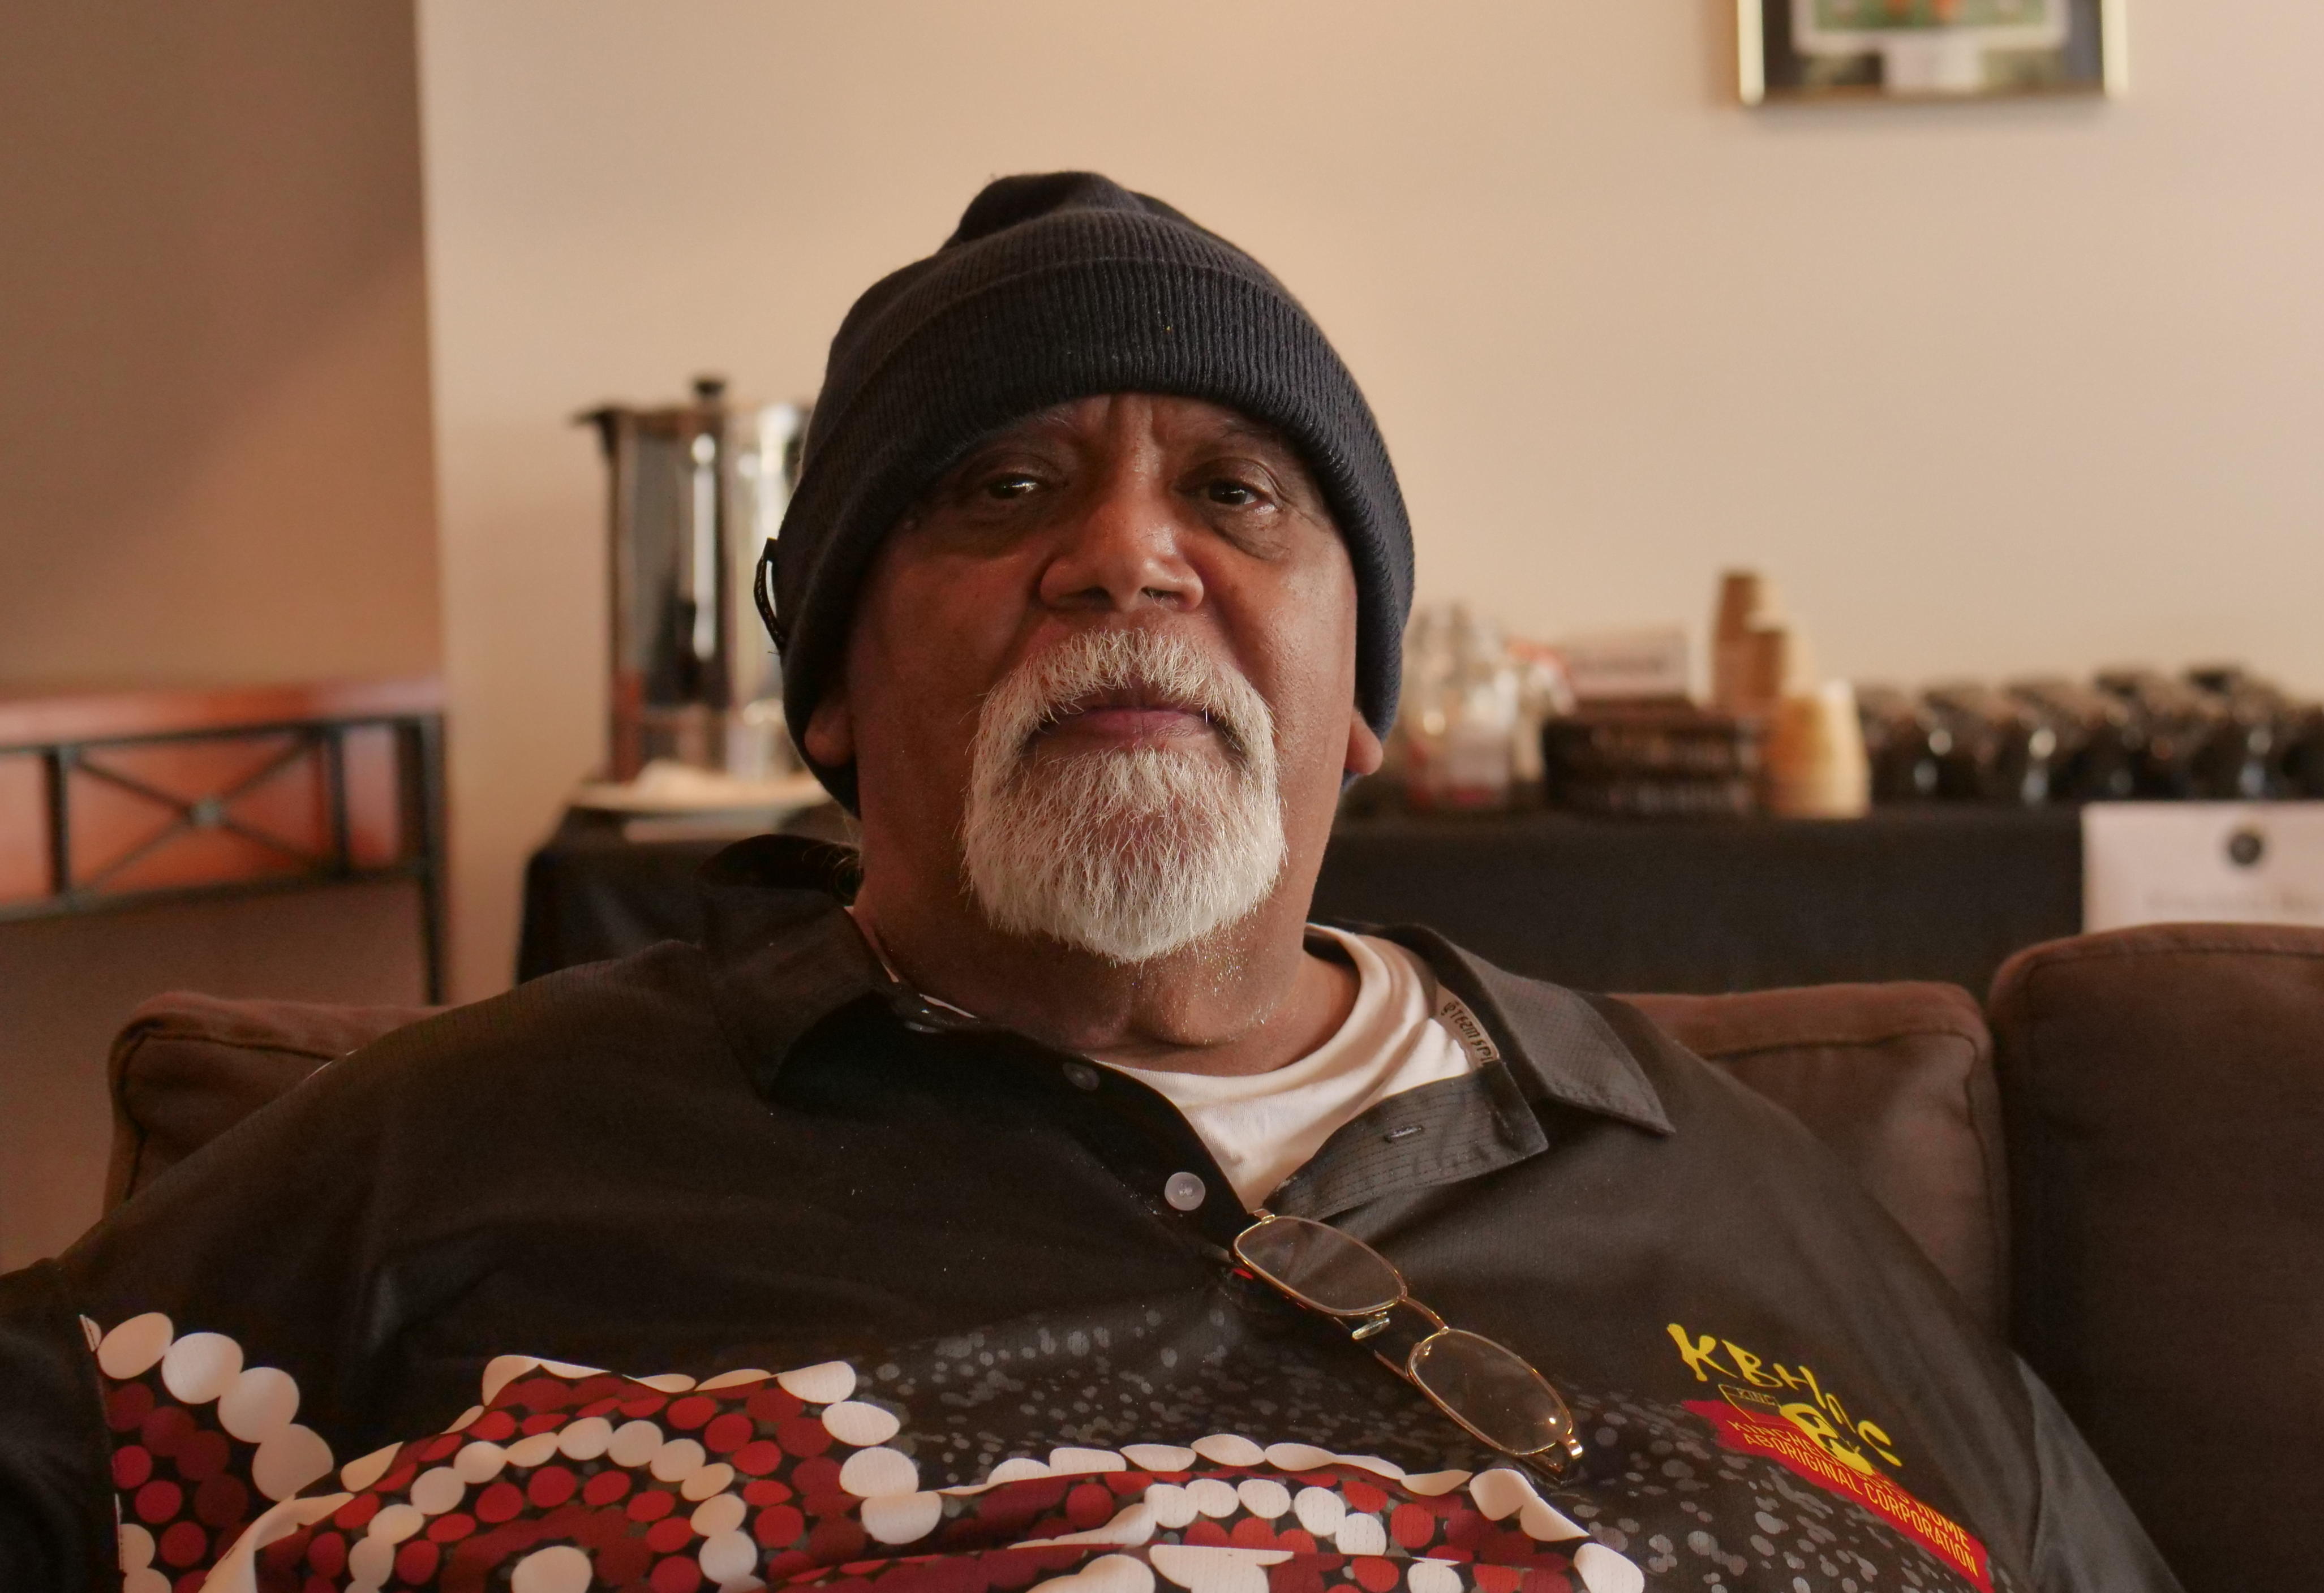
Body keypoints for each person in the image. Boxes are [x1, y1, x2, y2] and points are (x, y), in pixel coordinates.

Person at [0, 173, 2178, 1593]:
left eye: (1237, 492)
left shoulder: (1707, 1166)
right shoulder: (462, 1149)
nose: (1128, 554)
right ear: (837, 695)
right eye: (1003, 487)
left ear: (1356, 705)